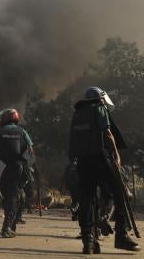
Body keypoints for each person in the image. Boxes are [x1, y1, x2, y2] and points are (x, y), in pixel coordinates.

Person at [69, 86, 140, 254]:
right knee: (121, 193)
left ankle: (89, 241)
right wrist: (116, 154)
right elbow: (107, 132)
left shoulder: (78, 114)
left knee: (87, 199)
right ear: (100, 98)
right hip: (101, 158)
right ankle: (121, 236)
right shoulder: (99, 109)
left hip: (83, 162)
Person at [0, 108, 33, 238]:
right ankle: (7, 227)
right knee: (14, 197)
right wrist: (29, 171)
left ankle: (9, 225)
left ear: (4, 119)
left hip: (1, 168)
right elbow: (30, 152)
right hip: (17, 168)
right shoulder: (22, 131)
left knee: (6, 197)